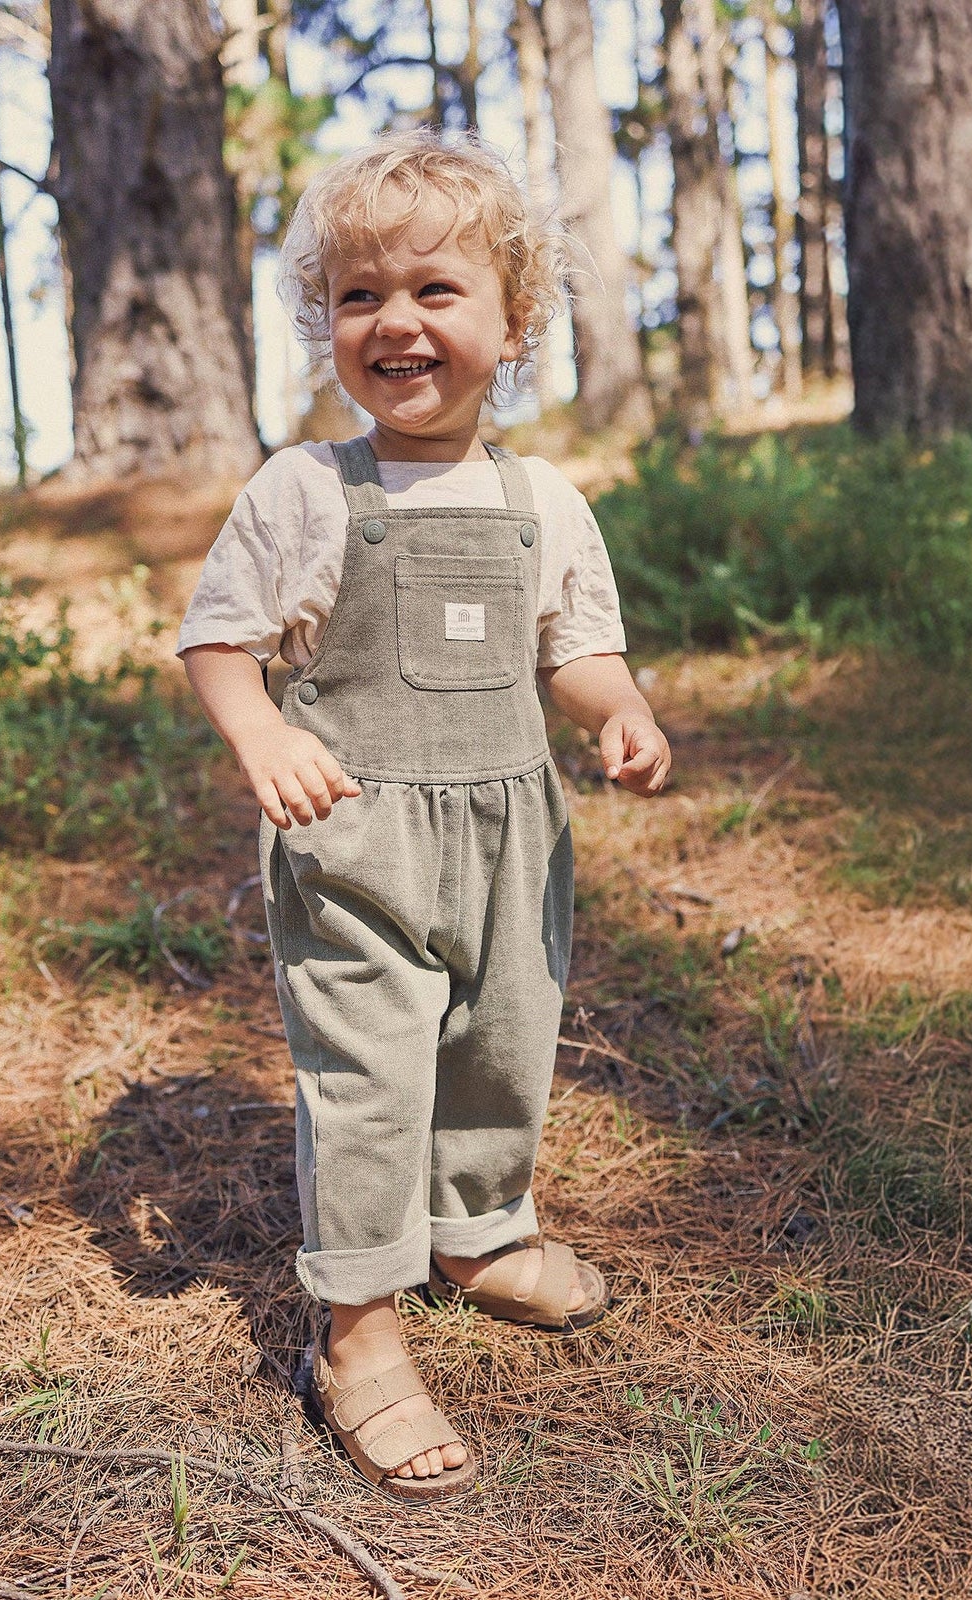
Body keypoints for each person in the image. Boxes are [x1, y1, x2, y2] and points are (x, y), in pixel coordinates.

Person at [179, 128, 671, 1502]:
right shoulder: (305, 492)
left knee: (504, 1052)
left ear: (514, 323)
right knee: (371, 1083)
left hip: (516, 845)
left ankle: (478, 1233)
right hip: (359, 845)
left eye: (436, 291)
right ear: (325, 321)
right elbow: (219, 640)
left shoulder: (542, 500)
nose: (395, 321)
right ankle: (362, 1331)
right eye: (357, 296)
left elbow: (574, 647)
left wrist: (618, 712)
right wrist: (263, 730)